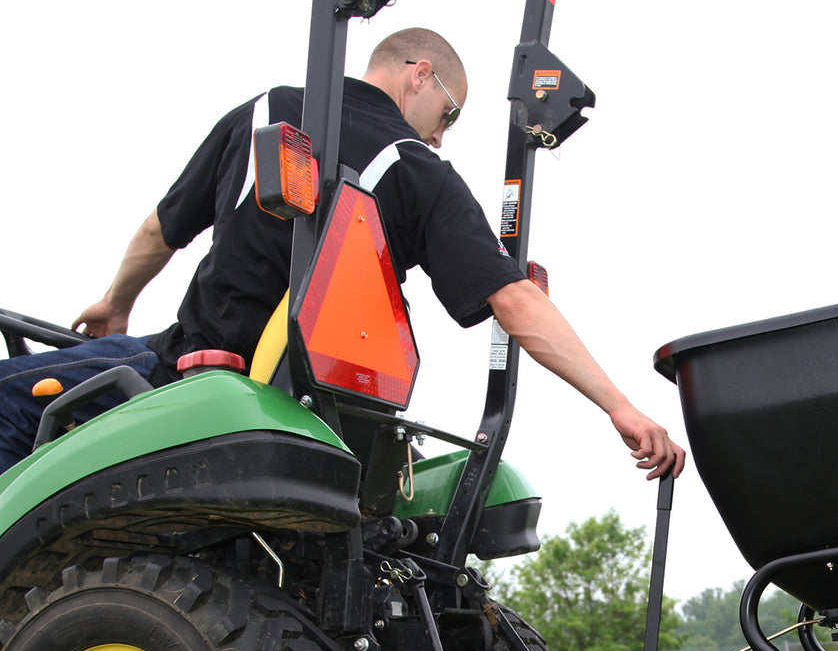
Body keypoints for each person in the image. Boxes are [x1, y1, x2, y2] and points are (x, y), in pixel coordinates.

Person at [0, 27, 685, 480]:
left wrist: (115, 303)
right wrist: (619, 407)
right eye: (449, 117)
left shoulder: (269, 110)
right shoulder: (420, 174)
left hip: (189, 370)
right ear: (419, 74)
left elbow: (161, 229)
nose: (444, 139)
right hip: (310, 401)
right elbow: (514, 300)